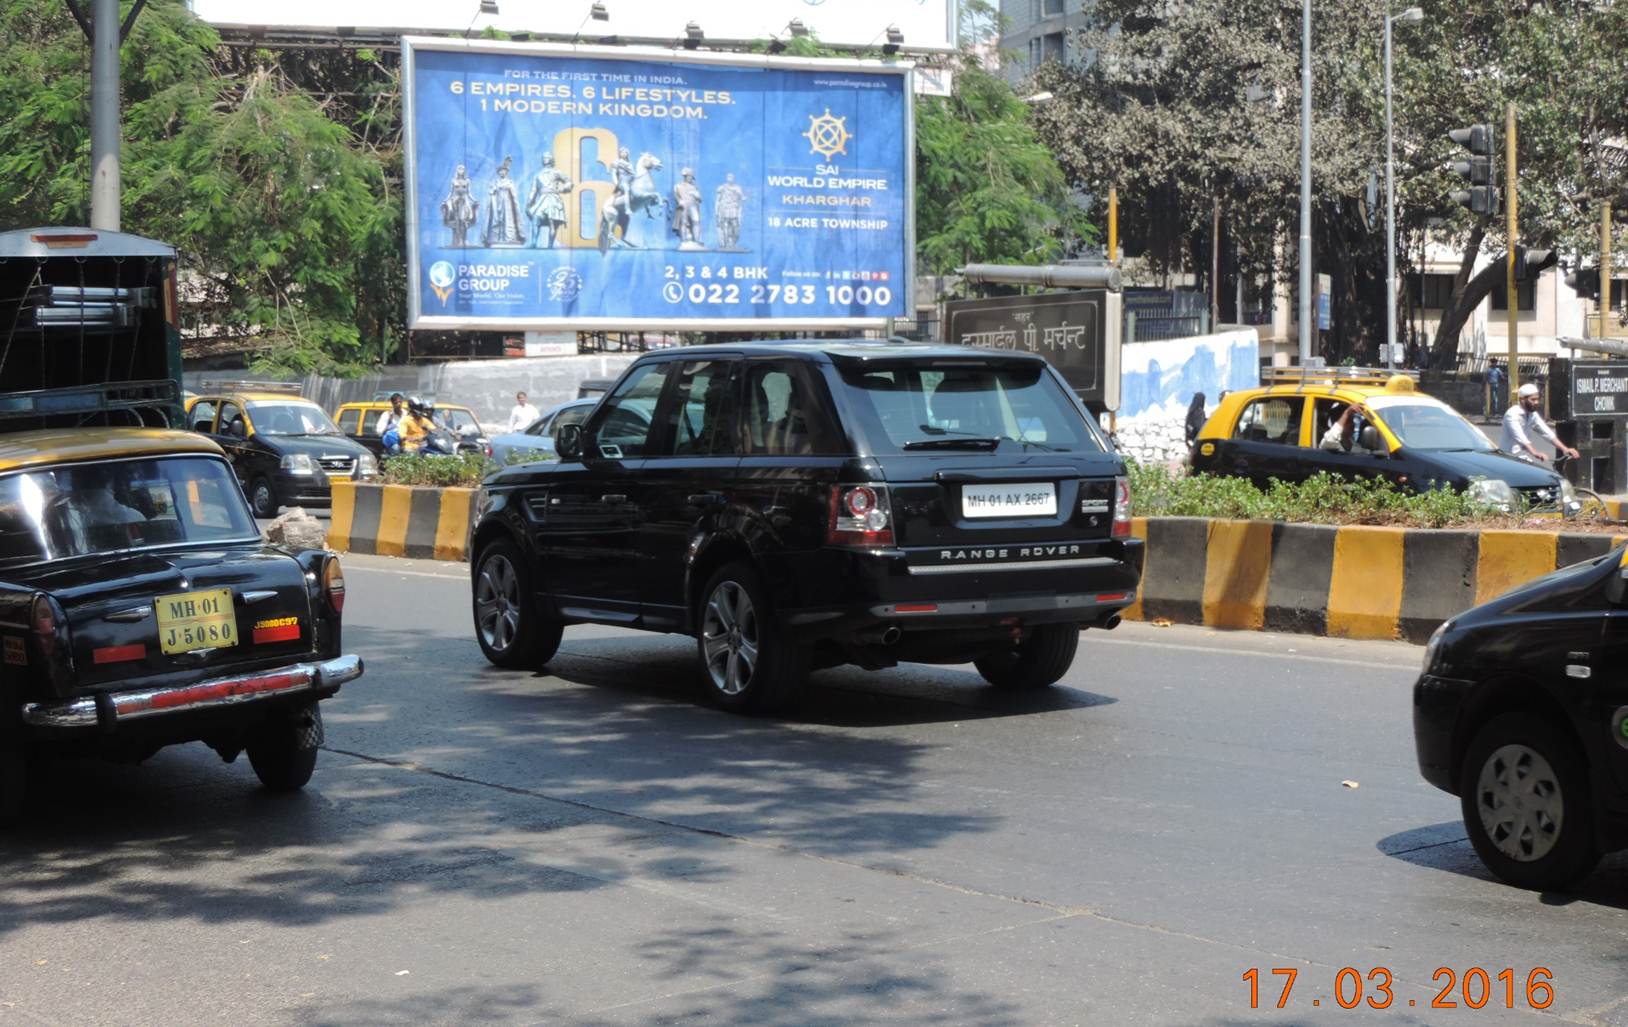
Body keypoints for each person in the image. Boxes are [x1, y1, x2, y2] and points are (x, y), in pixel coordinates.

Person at [1501, 382, 1579, 464]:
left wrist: (1565, 449)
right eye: (1533, 400)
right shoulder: (1512, 414)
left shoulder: (1532, 414)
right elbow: (1520, 438)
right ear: (1522, 400)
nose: (1536, 402)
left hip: (1522, 455)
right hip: (1508, 457)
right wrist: (1535, 453)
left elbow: (1546, 432)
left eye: (1537, 399)